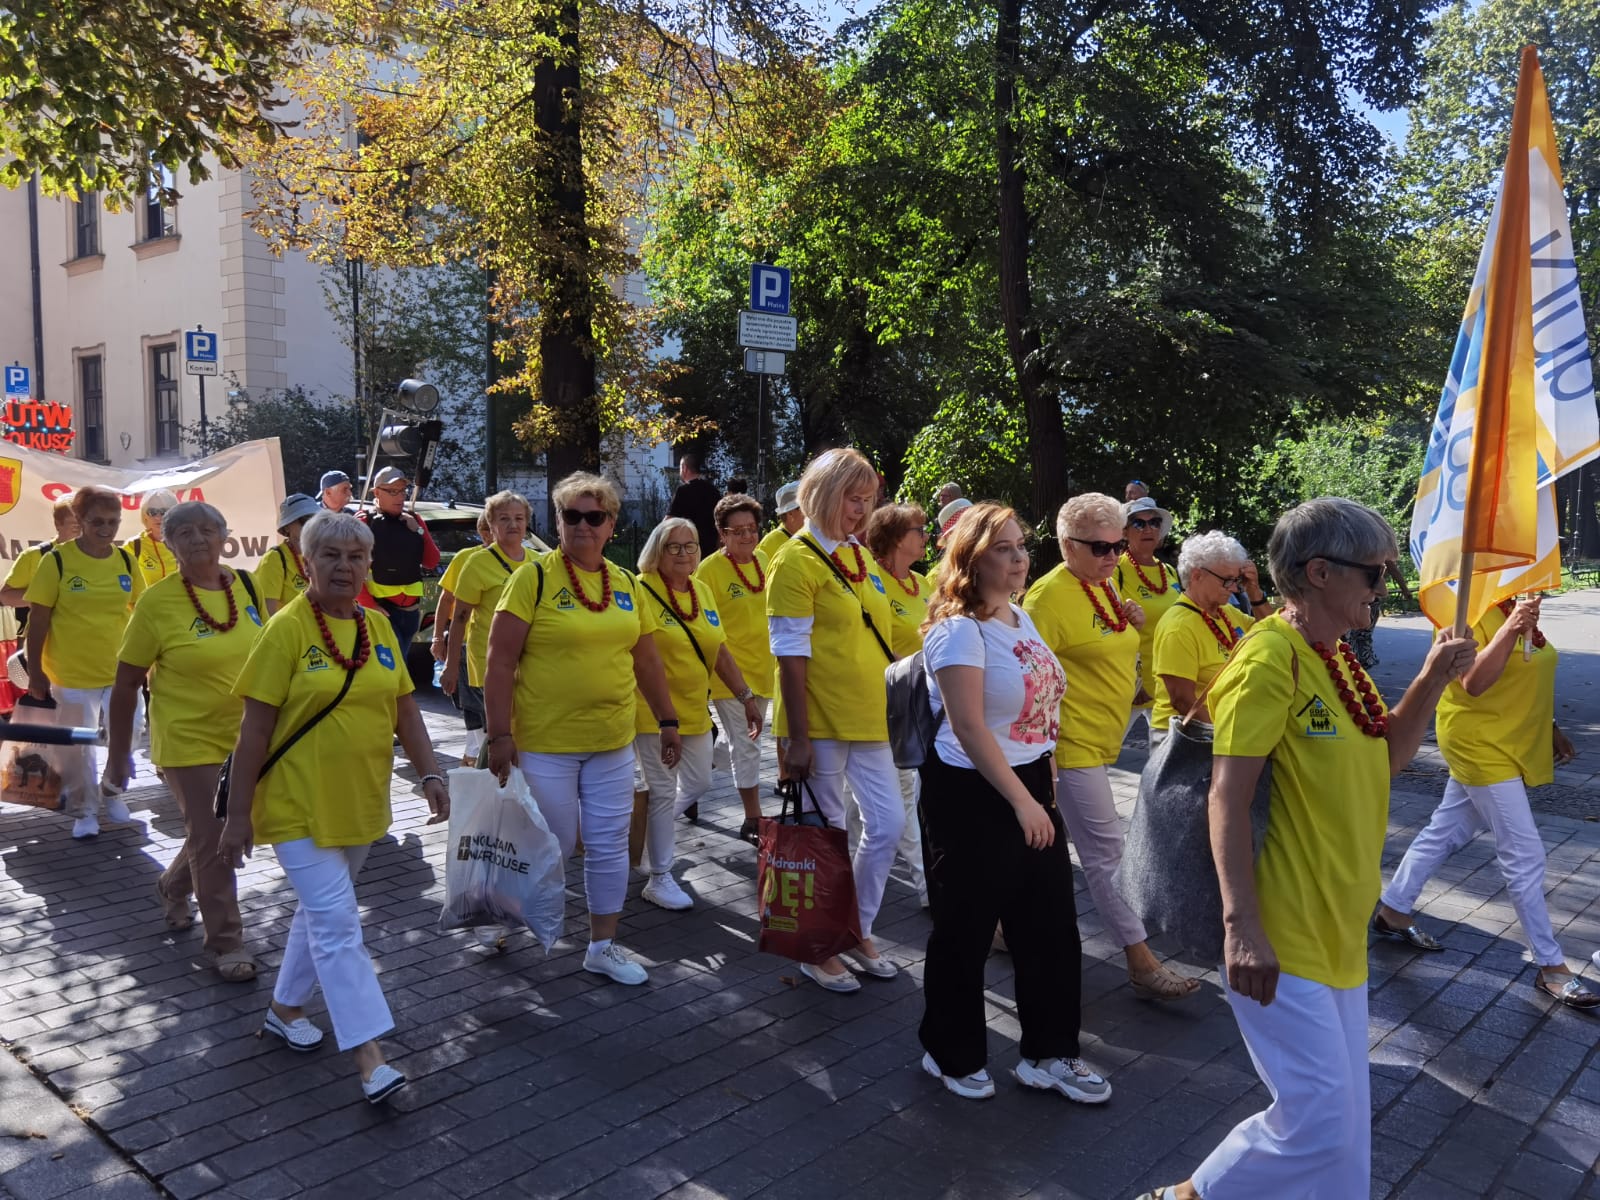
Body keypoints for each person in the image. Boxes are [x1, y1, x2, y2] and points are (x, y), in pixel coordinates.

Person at [1138, 498, 1475, 1200]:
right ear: (1320, 572)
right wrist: (1242, 927)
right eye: (1376, 574)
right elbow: (1225, 798)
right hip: (1282, 932)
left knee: (1346, 1129)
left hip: (1338, 928)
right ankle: (1187, 1197)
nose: (1384, 589)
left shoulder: (1335, 657)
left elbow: (1387, 759)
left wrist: (1433, 677)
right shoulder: (1269, 657)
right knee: (1319, 1120)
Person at [218, 511, 449, 1105]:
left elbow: (405, 711)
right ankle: (371, 1058)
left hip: (361, 801)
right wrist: (238, 815)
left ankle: (283, 1008)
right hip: (296, 803)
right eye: (330, 556)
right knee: (340, 924)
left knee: (320, 916)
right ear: (306, 562)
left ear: (369, 565)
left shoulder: (375, 626)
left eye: (355, 557)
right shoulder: (287, 629)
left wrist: (430, 773)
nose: (344, 567)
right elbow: (253, 732)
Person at [917, 502, 1110, 1104]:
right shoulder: (957, 631)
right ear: (971, 560)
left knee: (1049, 927)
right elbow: (970, 728)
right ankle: (950, 1053)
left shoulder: (1020, 619)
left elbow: (1040, 712)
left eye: (1021, 546)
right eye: (1003, 548)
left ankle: (1051, 1054)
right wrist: (1025, 803)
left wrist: (1042, 789)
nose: (1019, 557)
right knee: (965, 930)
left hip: (1029, 782)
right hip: (971, 791)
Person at [484, 471, 682, 986]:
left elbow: (647, 660)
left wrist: (667, 719)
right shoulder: (534, 577)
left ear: (612, 524)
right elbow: (499, 661)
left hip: (611, 742)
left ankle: (602, 945)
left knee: (610, 842)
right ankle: (501, 906)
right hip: (546, 743)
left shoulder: (624, 584)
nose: (583, 526)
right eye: (572, 516)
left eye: (594, 517)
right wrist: (499, 734)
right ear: (559, 520)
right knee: (552, 841)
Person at [1374, 594, 1599, 1008]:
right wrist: (1512, 626)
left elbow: (1525, 672)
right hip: (1478, 743)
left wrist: (1549, 725)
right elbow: (1473, 683)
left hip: (1506, 738)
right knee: (1525, 853)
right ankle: (1550, 966)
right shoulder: (1465, 609)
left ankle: (1394, 907)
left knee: (1447, 829)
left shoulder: (1517, 606)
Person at [1023, 493, 1198, 1001]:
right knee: (1106, 853)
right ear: (1065, 545)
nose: (1112, 556)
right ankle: (1140, 960)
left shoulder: (1100, 585)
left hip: (1103, 738)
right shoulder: (1047, 599)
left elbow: (1104, 647)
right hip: (1068, 744)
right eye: (1099, 546)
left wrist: (1133, 627)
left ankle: (994, 922)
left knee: (1036, 846)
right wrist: (1046, 749)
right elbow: (1030, 681)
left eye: (1117, 545)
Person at [104, 501, 265, 981]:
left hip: (244, 737)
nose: (198, 539)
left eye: (207, 530)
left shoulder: (247, 585)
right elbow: (125, 683)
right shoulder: (156, 604)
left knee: (210, 832)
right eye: (184, 533)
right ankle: (226, 942)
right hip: (186, 738)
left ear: (223, 537)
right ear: (167, 544)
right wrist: (117, 758)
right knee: (214, 836)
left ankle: (173, 887)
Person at [767, 447, 902, 991]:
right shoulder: (795, 560)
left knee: (888, 825)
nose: (862, 510)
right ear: (823, 496)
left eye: (869, 500)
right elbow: (789, 654)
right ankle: (819, 946)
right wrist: (797, 736)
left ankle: (856, 929)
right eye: (853, 498)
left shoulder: (859, 554)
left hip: (869, 717)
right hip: (819, 722)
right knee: (829, 837)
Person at [633, 517, 764, 909]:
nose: (684, 553)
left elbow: (719, 650)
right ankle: (659, 876)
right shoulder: (642, 590)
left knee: (698, 782)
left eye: (690, 545)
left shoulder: (701, 590)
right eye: (673, 546)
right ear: (657, 550)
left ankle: (643, 841)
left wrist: (745, 695)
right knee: (660, 789)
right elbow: (641, 655)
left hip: (693, 709)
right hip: (652, 711)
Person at [24, 485, 146, 839]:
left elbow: (143, 611)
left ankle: (112, 790)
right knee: (79, 747)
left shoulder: (125, 560)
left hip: (121, 671)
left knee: (131, 732)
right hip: (70, 673)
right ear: (79, 520)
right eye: (97, 521)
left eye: (114, 521)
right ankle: (84, 811)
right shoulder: (56, 561)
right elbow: (38, 621)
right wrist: (36, 673)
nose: (106, 529)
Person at [695, 494, 777, 844]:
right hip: (730, 675)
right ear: (721, 534)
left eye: (752, 529)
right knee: (748, 745)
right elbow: (704, 627)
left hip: (764, 668)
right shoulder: (709, 571)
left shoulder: (762, 560)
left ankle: (696, 773)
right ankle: (752, 819)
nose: (746, 536)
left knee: (735, 743)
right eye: (737, 530)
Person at [862, 502, 932, 906]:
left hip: (915, 704)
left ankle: (854, 877)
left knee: (882, 800)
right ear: (893, 539)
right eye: (917, 530)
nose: (926, 536)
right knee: (902, 793)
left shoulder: (921, 583)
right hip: (879, 702)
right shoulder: (870, 581)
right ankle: (927, 886)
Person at [441, 494, 529, 780]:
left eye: (518, 518)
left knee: (522, 730)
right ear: (491, 525)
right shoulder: (478, 563)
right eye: (504, 519)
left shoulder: (540, 562)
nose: (512, 524)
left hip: (528, 663)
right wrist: (451, 666)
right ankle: (488, 788)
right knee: (499, 731)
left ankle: (512, 787)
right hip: (487, 664)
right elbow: (460, 619)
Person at [1149, 531, 1255, 740]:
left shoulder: (1226, 613)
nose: (1234, 588)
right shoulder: (1178, 627)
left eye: (1237, 580)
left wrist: (1255, 594)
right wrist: (1225, 738)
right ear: (1197, 575)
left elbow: (1274, 632)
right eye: (1227, 580)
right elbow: (1182, 700)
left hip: (1218, 730)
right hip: (1189, 739)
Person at [1116, 497, 1182, 740]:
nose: (1148, 529)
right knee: (1103, 756)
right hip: (1133, 685)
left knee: (1167, 761)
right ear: (1124, 531)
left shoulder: (1170, 572)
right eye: (1139, 523)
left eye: (1154, 522)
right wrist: (1135, 679)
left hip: (1165, 683)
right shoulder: (1116, 570)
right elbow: (1111, 629)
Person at [358, 465, 440, 650]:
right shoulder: (364, 522)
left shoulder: (414, 519)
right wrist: (370, 606)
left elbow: (431, 561)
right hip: (381, 610)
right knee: (392, 670)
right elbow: (349, 571)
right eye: (393, 491)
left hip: (411, 613)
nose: (401, 496)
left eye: (403, 490)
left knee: (400, 668)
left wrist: (418, 530)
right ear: (377, 493)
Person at [435, 513, 493, 770]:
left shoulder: (527, 561)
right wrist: (438, 638)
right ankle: (476, 759)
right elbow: (447, 600)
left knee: (489, 709)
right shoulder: (465, 558)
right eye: (489, 530)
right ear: (483, 533)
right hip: (468, 646)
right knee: (471, 707)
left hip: (504, 649)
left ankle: (479, 759)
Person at [1, 493, 81, 612]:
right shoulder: (34, 555)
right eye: (75, 526)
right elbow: (5, 597)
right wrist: (41, 597)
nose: (82, 531)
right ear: (58, 524)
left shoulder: (103, 556)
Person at [255, 494, 320, 616]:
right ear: (287, 526)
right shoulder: (274, 559)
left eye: (316, 520)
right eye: (305, 520)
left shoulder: (321, 556)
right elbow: (266, 614)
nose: (311, 526)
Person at [667, 452, 721, 558]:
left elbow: (669, 519)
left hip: (690, 546)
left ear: (684, 468)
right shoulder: (713, 491)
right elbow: (720, 519)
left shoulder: (683, 491)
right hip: (711, 546)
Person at [124, 489, 180, 586]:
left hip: (179, 600)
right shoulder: (133, 545)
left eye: (164, 511)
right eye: (152, 512)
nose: (158, 517)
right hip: (145, 601)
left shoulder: (186, 543)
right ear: (145, 515)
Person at [757, 481, 804, 563]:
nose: (811, 512)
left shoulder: (808, 535)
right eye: (805, 508)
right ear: (790, 513)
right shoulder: (769, 544)